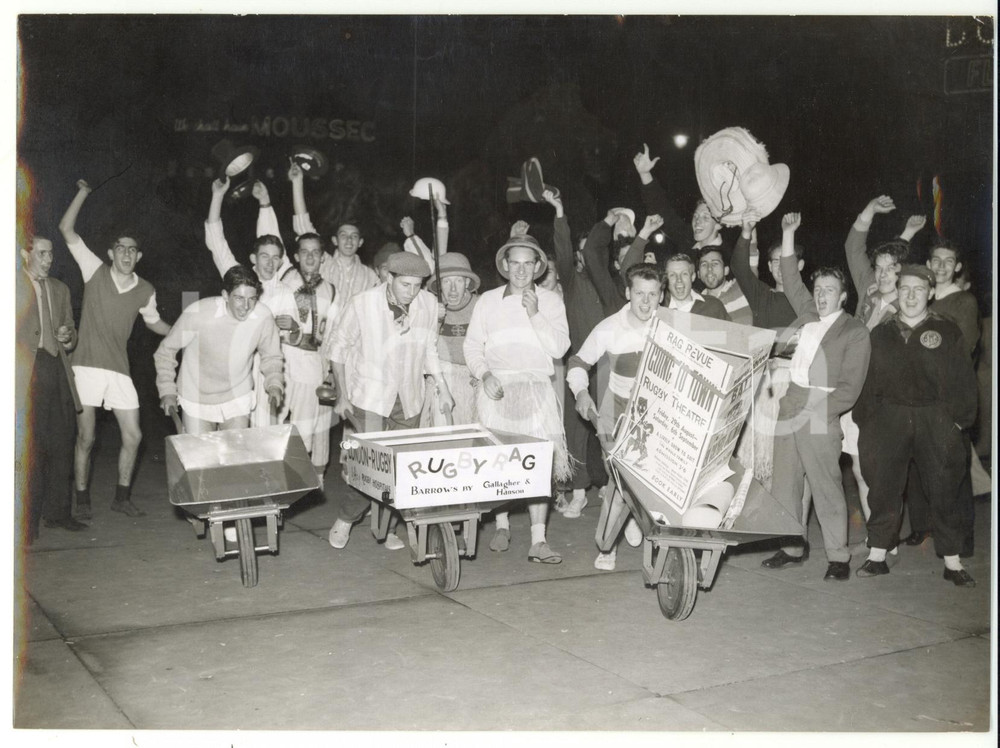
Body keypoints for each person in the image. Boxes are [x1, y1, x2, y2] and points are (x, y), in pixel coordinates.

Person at [760, 213, 871, 581]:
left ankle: (838, 556)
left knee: (826, 486)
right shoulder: (807, 314)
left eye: (829, 291)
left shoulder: (854, 331)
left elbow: (849, 389)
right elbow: (790, 277)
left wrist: (820, 413)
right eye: (818, 289)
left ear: (843, 295)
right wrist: (788, 234)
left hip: (821, 409)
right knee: (785, 482)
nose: (821, 295)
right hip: (790, 400)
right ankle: (792, 546)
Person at [853, 265, 977, 587]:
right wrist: (867, 421)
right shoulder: (881, 332)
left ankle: (952, 561)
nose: (910, 296)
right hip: (889, 418)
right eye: (904, 289)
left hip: (934, 418)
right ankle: (878, 554)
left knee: (945, 489)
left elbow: (964, 381)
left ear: (930, 293)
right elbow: (867, 381)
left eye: (918, 290)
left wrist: (957, 423)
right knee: (882, 487)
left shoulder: (947, 332)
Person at [59, 179, 172, 519]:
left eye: (132, 249)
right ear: (111, 253)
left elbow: (154, 323)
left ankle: (121, 498)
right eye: (120, 248)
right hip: (87, 367)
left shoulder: (146, 289)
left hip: (119, 370)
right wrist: (82, 192)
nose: (126, 254)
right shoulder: (94, 271)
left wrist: (184, 333)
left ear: (138, 256)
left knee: (134, 435)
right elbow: (66, 229)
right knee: (87, 437)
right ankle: (82, 498)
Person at [326, 252, 454, 550]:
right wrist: (342, 396)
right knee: (369, 467)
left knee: (401, 467)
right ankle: (346, 518)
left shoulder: (428, 305)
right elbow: (338, 349)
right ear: (389, 278)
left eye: (418, 285)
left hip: (409, 397)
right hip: (369, 396)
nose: (412, 292)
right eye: (405, 285)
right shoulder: (362, 303)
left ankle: (390, 527)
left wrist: (443, 386)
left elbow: (430, 350)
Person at [464, 227, 572, 564]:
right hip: (497, 390)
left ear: (538, 266)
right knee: (498, 463)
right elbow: (472, 345)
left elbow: (560, 347)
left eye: (529, 263)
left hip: (536, 390)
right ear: (505, 266)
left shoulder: (550, 301)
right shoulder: (487, 301)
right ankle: (501, 523)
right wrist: (484, 375)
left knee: (538, 465)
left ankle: (538, 540)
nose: (521, 270)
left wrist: (535, 313)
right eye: (515, 263)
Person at [567, 263, 664, 570]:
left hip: (658, 410)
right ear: (627, 293)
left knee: (654, 477)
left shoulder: (672, 326)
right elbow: (577, 362)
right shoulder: (609, 327)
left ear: (661, 296)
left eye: (652, 294)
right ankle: (607, 546)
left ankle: (637, 517)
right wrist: (581, 391)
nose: (645, 302)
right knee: (618, 479)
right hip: (616, 408)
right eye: (639, 294)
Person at [841, 195, 923, 525]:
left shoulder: (910, 311)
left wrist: (906, 237)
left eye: (892, 270)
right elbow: (853, 247)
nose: (884, 274)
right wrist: (870, 209)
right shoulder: (869, 291)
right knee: (861, 473)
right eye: (880, 269)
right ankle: (879, 537)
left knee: (883, 475)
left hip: (886, 404)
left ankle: (884, 540)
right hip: (854, 397)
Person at [204, 176, 300, 428]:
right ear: (253, 258)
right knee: (233, 439)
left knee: (266, 441)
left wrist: (292, 328)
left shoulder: (285, 293)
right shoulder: (239, 279)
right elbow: (216, 242)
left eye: (276, 258)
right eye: (264, 256)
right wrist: (217, 196)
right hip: (235, 371)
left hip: (270, 373)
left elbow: (292, 339)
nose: (270, 263)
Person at [154, 265, 284, 435]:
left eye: (252, 298)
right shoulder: (198, 313)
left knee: (234, 457)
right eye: (239, 298)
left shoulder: (263, 317)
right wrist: (167, 390)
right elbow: (166, 351)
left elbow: (272, 356)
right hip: (197, 396)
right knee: (201, 459)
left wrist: (274, 382)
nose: (246, 306)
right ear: (225, 295)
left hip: (237, 395)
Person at [545, 189, 609, 518]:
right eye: (582, 251)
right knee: (577, 432)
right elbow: (563, 252)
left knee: (613, 430)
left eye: (593, 249)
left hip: (610, 368)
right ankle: (580, 492)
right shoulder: (571, 281)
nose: (586, 255)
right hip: (580, 369)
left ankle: (618, 495)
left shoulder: (612, 283)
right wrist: (559, 211)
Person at [16, 236, 84, 542]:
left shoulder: (60, 288)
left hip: (56, 370)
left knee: (62, 441)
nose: (48, 259)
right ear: (24, 254)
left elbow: (71, 333)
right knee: (31, 448)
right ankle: (24, 523)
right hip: (25, 371)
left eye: (51, 254)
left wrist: (67, 336)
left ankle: (59, 513)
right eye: (41, 253)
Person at [289, 163, 378, 298]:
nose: (349, 241)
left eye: (354, 236)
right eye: (343, 236)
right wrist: (297, 182)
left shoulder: (370, 276)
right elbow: (303, 227)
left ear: (360, 242)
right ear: (335, 240)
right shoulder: (323, 263)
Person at [633, 142, 733, 258]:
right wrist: (645, 174)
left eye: (705, 217)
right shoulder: (687, 240)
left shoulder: (729, 257)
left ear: (719, 224)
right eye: (696, 216)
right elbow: (661, 209)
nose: (697, 222)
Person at [423, 252, 481, 426]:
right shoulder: (429, 306)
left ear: (468, 283)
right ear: (439, 285)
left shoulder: (481, 305)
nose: (453, 289)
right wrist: (436, 320)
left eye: (459, 281)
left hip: (474, 380)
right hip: (442, 380)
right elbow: (425, 349)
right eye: (447, 282)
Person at [662, 252, 730, 319]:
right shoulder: (659, 310)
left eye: (684, 274)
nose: (679, 280)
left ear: (693, 277)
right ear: (666, 279)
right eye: (672, 275)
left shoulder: (713, 306)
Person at [695, 246, 752, 325]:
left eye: (715, 263)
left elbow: (752, 263)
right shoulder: (696, 305)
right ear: (698, 274)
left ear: (726, 270)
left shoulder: (741, 288)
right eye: (704, 264)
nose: (709, 269)